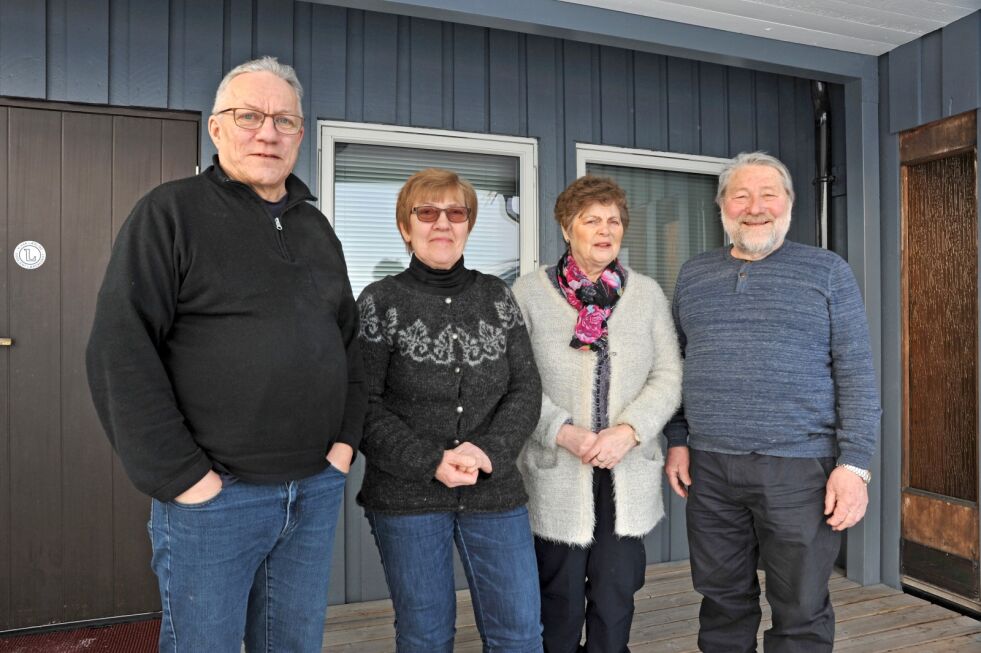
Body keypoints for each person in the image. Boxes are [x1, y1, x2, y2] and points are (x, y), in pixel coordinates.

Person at [85, 56, 366, 652]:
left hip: (313, 489)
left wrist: (343, 447)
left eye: (283, 120)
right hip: (217, 500)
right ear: (217, 129)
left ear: (299, 133)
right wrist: (187, 479)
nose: (267, 132)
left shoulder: (318, 230)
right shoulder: (171, 214)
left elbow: (350, 346)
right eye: (249, 116)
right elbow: (120, 349)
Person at [664, 151, 881, 652]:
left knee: (800, 608)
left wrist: (854, 465)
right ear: (722, 205)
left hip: (800, 470)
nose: (754, 207)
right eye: (740, 195)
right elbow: (677, 367)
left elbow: (857, 375)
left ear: (789, 204)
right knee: (721, 601)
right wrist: (678, 440)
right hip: (711, 468)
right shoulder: (695, 275)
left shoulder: (827, 271)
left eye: (768, 195)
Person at [356, 168, 544, 653]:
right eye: (427, 212)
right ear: (406, 226)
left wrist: (487, 451)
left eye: (455, 212)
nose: (443, 223)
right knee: (425, 636)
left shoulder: (498, 298)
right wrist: (430, 461)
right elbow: (362, 404)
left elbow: (525, 387)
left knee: (519, 634)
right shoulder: (380, 302)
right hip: (407, 497)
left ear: (468, 224)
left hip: (494, 492)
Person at [512, 175, 682, 653]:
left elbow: (669, 375)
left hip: (626, 468)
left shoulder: (646, 295)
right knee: (558, 595)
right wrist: (561, 431)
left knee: (616, 591)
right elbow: (513, 380)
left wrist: (628, 431)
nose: (604, 230)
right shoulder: (528, 295)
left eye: (614, 221)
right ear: (567, 228)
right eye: (591, 220)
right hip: (557, 467)